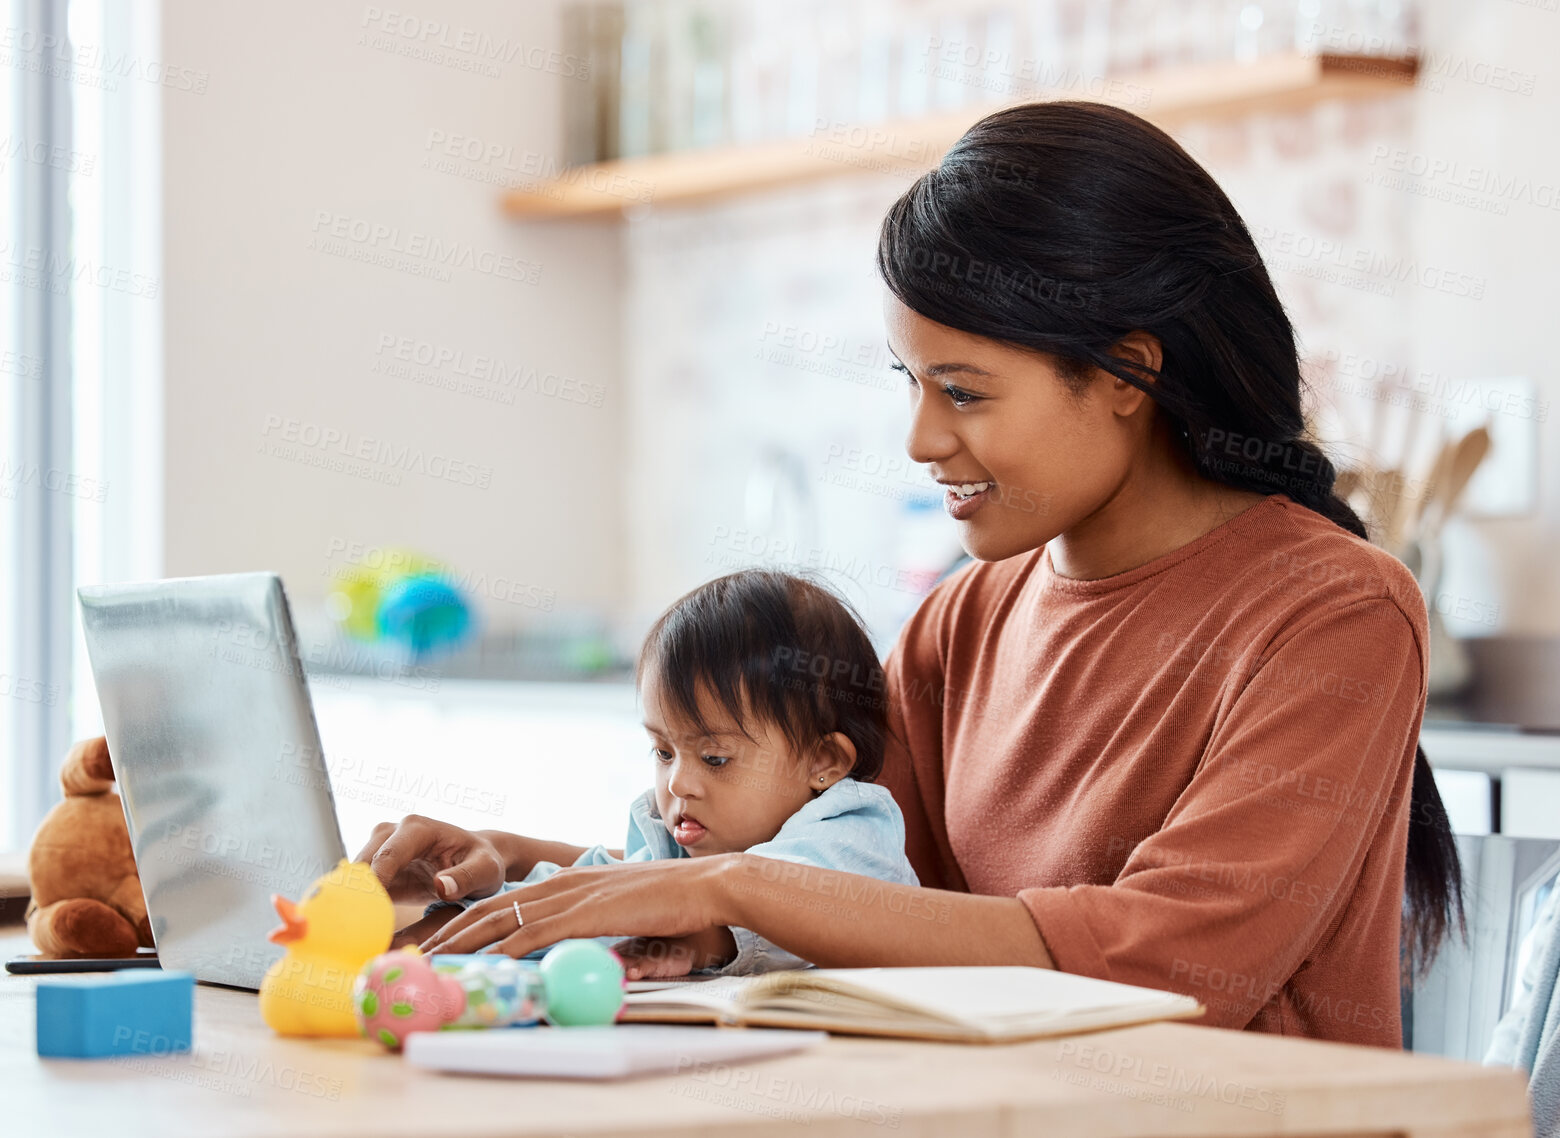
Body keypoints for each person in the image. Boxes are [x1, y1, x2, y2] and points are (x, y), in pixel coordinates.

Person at [363, 100, 1461, 1047]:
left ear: (1127, 372)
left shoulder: (1335, 610)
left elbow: (1168, 967)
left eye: (965, 391)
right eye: (910, 382)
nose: (921, 439)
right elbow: (837, 888)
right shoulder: (966, 618)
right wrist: (519, 869)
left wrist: (725, 885)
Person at [384, 569, 917, 978]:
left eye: (715, 758)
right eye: (663, 752)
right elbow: (582, 896)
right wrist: (459, 916)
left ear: (824, 763)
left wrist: (696, 938)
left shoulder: (853, 829)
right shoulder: (675, 840)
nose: (678, 784)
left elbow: (807, 905)